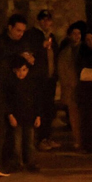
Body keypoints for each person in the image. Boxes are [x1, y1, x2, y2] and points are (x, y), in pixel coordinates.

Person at [0, 14, 32, 177]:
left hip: (7, 97)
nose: (20, 34)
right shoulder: (0, 55)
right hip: (0, 98)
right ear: (9, 27)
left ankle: (0, 161)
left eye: (23, 31)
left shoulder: (22, 44)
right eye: (17, 30)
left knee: (3, 133)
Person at [25, 10, 59, 152]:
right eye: (44, 20)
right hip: (37, 79)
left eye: (49, 20)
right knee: (38, 109)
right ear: (39, 21)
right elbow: (29, 52)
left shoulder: (52, 37)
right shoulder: (32, 35)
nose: (46, 22)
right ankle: (38, 139)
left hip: (49, 79)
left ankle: (47, 137)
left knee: (49, 109)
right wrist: (41, 47)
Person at [6, 56, 41, 172]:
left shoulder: (31, 84)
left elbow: (36, 100)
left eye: (24, 70)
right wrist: (10, 115)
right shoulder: (11, 84)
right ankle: (17, 162)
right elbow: (8, 101)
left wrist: (38, 116)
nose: (21, 73)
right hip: (17, 117)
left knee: (30, 142)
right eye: (18, 70)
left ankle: (31, 162)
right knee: (16, 142)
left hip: (29, 117)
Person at [58, 21, 86, 150]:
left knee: (85, 114)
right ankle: (78, 140)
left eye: (79, 33)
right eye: (74, 33)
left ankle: (87, 139)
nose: (77, 36)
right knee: (74, 116)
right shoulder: (65, 52)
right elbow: (62, 70)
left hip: (84, 86)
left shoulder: (84, 49)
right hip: (71, 87)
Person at [77, 31, 92, 154]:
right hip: (87, 90)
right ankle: (89, 144)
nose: (90, 41)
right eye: (87, 40)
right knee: (87, 118)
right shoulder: (83, 54)